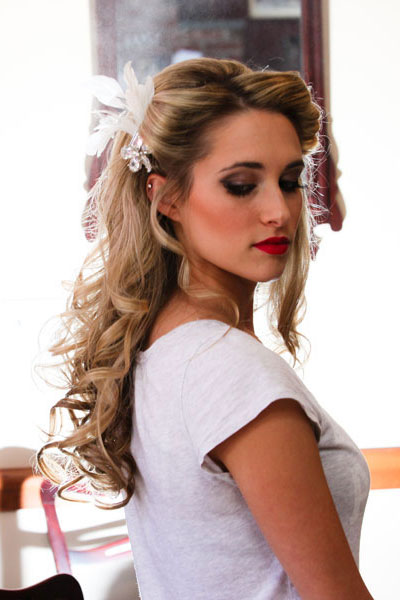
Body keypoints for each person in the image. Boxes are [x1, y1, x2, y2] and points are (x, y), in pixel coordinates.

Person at [37, 58, 373, 599]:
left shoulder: (157, 350)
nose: (279, 211)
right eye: (241, 185)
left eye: (290, 181)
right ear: (166, 197)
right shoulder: (231, 370)